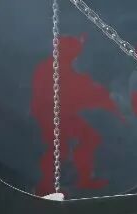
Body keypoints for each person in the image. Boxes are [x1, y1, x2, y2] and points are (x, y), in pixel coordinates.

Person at [30, 35, 121, 193]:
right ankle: (45, 188)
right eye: (74, 46)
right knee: (58, 148)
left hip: (68, 115)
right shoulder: (49, 68)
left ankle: (85, 179)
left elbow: (85, 89)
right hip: (49, 117)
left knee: (90, 138)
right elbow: (73, 91)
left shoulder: (71, 67)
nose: (78, 50)